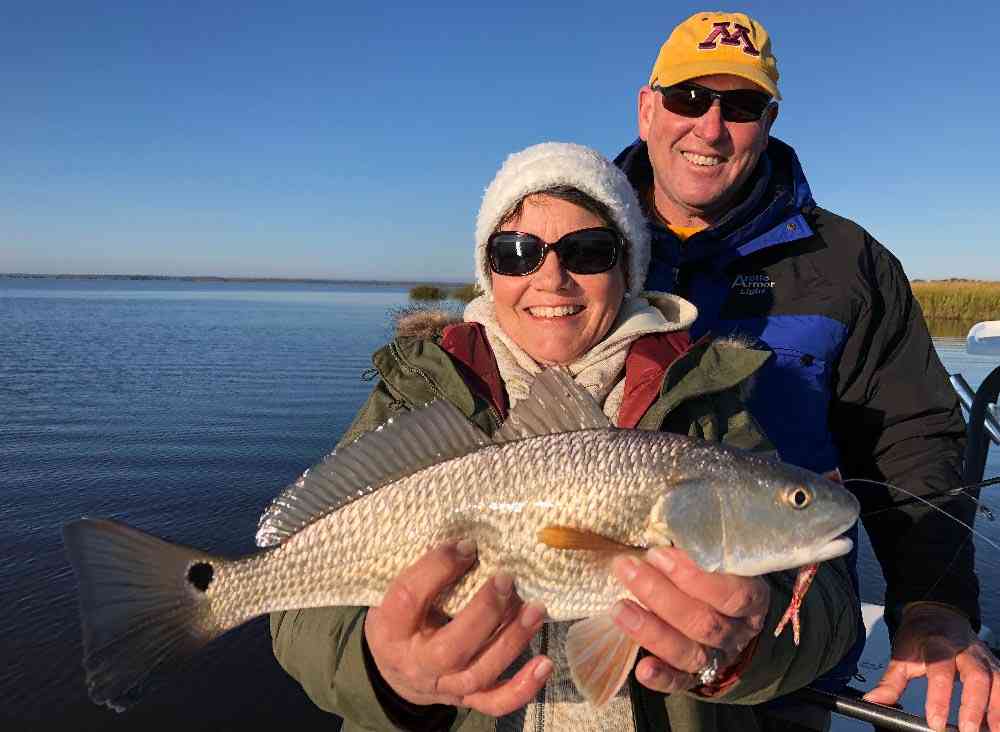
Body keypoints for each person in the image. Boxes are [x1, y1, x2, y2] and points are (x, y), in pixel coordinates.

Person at [269, 142, 859, 731]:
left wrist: (747, 650)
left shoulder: (704, 403)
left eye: (589, 251)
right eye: (516, 253)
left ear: (627, 270)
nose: (551, 277)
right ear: (489, 271)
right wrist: (383, 673)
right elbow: (295, 606)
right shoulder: (416, 392)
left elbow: (831, 616)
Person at [613, 11, 999, 732]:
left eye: (743, 105)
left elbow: (910, 440)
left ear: (770, 119)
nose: (710, 126)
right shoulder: (573, 245)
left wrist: (933, 603)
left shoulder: (849, 263)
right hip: (581, 623)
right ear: (647, 106)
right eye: (689, 98)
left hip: (780, 662)